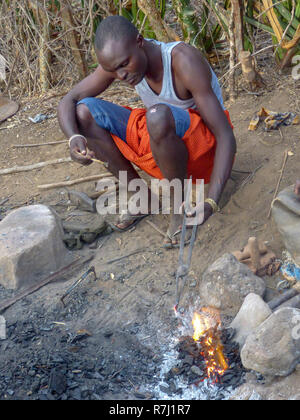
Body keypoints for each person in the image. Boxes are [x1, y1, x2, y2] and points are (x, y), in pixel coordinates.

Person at [58, 15, 236, 247]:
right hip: (165, 144)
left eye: (124, 64)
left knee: (157, 116)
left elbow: (225, 135)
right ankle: (142, 197)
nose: (121, 75)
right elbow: (68, 100)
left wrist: (211, 201)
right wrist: (74, 138)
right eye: (113, 70)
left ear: (140, 41)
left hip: (203, 151)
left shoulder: (182, 61)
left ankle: (178, 210)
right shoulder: (121, 63)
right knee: (83, 113)